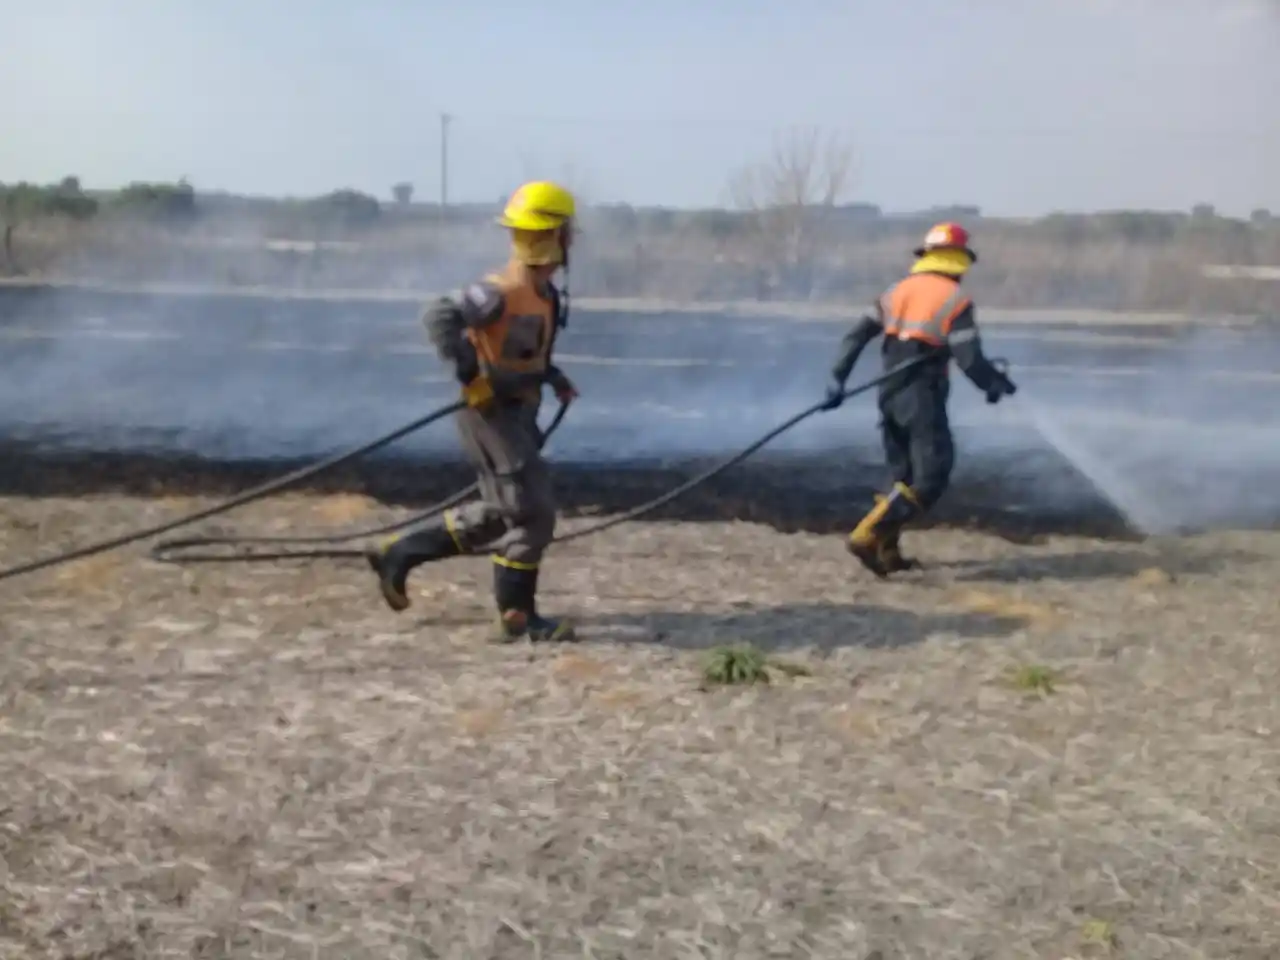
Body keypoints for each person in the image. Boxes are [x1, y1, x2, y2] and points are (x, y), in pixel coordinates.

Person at [366, 180, 579, 643]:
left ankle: (400, 553)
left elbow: (526, 352)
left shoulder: (546, 295)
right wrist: (471, 377)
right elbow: (439, 318)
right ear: (557, 235)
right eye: (568, 230)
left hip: (519, 411)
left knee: (503, 512)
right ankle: (517, 619)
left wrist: (555, 379)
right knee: (532, 513)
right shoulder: (496, 290)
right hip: (488, 412)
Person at [822, 221, 1017, 577]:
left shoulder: (895, 292)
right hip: (922, 397)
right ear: (960, 261)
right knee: (931, 475)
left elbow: (855, 337)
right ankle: (869, 535)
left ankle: (888, 553)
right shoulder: (955, 300)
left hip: (888, 394)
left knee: (903, 476)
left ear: (926, 256)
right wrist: (993, 385)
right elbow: (969, 359)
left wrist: (836, 380)